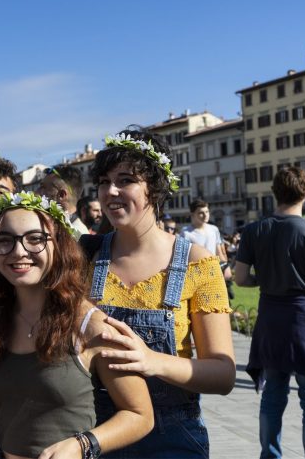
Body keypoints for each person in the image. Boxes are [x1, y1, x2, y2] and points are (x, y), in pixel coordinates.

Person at [0, 191, 153, 459]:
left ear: (59, 245)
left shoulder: (92, 326)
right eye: (5, 240)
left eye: (35, 239)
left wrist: (82, 444)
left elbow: (140, 414)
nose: (19, 251)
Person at [83, 129, 235, 458]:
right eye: (104, 182)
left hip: (172, 438)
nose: (110, 191)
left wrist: (153, 361)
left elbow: (223, 374)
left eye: (125, 180)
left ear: (155, 187)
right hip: (97, 433)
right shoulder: (84, 258)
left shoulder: (197, 264)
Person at [234, 166, 305, 459]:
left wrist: (265, 280)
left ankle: (270, 455)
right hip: (304, 319)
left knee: (272, 396)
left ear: (274, 193)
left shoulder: (254, 230)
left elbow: (240, 278)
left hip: (270, 318)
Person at [37, 164, 89, 238]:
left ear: (61, 195)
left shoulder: (77, 236)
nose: (37, 192)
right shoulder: (59, 229)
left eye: (43, 187)